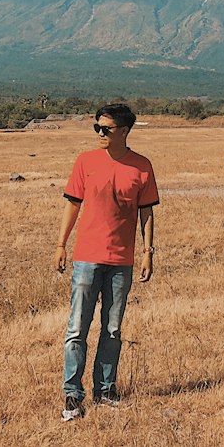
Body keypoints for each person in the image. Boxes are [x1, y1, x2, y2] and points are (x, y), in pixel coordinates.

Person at [54, 102, 159, 422]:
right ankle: (72, 395)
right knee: (77, 329)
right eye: (96, 127)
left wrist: (147, 252)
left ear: (124, 131)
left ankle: (106, 390)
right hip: (86, 258)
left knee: (112, 330)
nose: (100, 133)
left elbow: (147, 212)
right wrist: (60, 245)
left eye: (106, 128)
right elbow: (73, 204)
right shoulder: (85, 161)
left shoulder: (142, 166)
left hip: (121, 261)